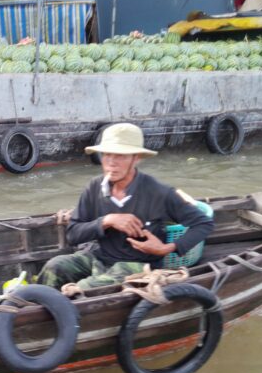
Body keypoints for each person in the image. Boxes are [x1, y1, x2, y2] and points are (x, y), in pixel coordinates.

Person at [38, 123, 213, 294]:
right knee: (55, 266)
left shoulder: (159, 192)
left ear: (136, 158)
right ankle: (38, 309)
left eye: (120, 156)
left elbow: (203, 224)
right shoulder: (94, 187)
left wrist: (166, 248)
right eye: (107, 154)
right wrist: (107, 221)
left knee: (84, 288)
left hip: (139, 265)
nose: (111, 162)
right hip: (100, 257)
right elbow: (73, 235)